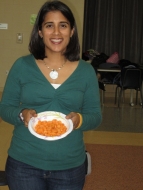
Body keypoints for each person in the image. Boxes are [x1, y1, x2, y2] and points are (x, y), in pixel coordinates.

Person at [0, 1, 102, 190]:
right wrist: (21, 114)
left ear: (71, 31)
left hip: (70, 166)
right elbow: (5, 107)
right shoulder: (22, 66)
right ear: (40, 31)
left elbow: (95, 115)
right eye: (49, 26)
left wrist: (79, 120)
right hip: (24, 163)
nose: (56, 33)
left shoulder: (86, 71)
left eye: (63, 25)